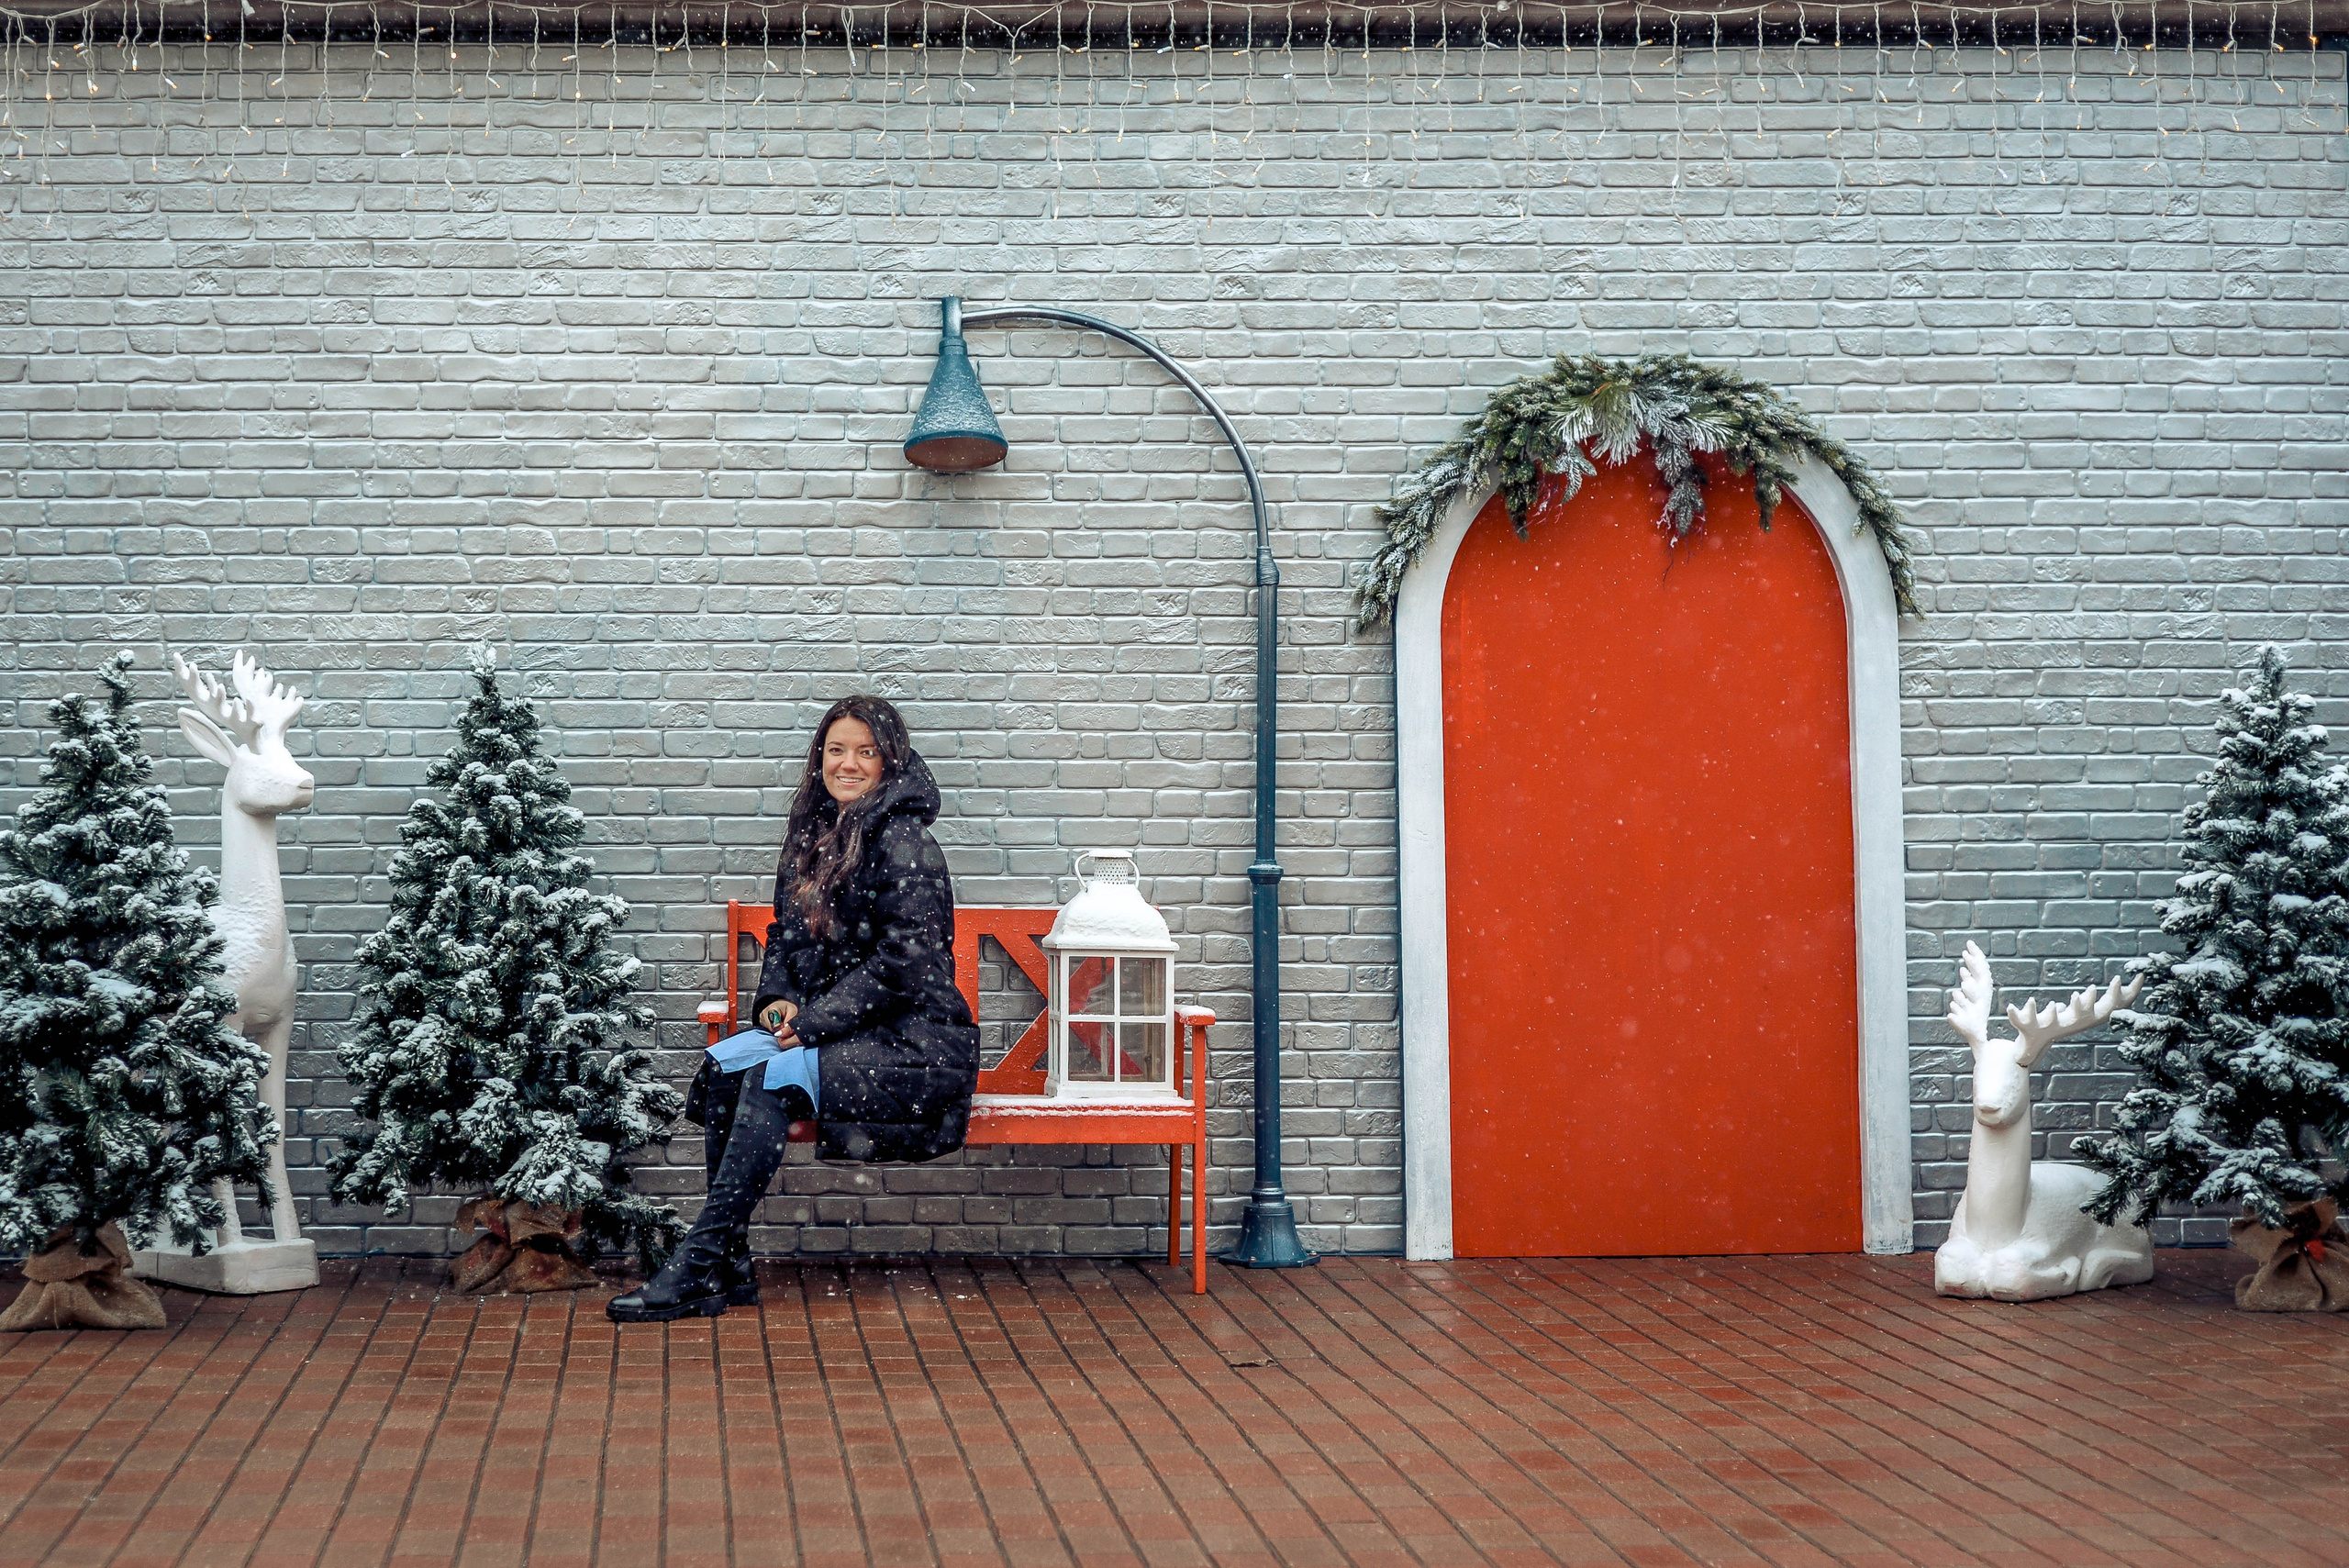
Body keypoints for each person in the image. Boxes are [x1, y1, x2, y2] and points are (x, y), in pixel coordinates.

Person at [607, 695, 979, 1322]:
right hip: (842, 1032)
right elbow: (787, 933)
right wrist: (778, 1001)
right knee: (726, 1066)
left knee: (771, 1078)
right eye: (837, 749)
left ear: (890, 761)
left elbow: (905, 963)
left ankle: (697, 1260)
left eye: (866, 750)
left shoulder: (906, 842)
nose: (849, 763)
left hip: (915, 1044)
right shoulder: (812, 833)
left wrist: (811, 1024)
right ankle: (730, 1266)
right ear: (820, 757)